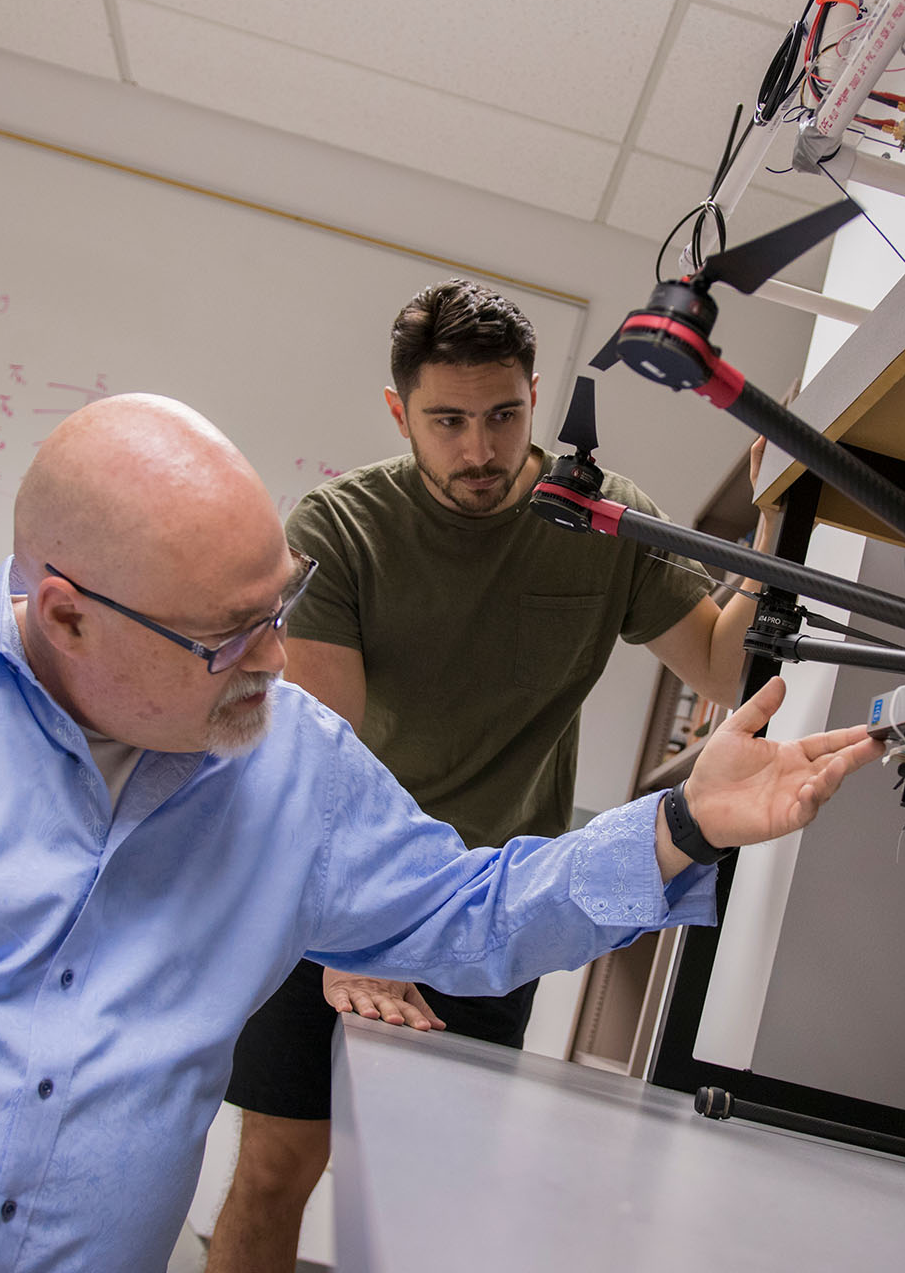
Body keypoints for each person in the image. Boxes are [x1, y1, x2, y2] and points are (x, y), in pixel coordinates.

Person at [0, 392, 879, 1272]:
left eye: (277, 610)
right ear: (63, 615)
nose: (277, 664)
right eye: (229, 635)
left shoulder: (290, 762)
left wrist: (681, 821)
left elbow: (472, 915)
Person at [208, 279, 777, 1272]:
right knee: (278, 1163)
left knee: (424, 1200)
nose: (480, 448)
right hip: (332, 897)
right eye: (450, 421)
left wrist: (777, 511)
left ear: (535, 396)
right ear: (400, 414)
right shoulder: (343, 528)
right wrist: (357, 926)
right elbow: (318, 753)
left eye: (504, 415)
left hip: (495, 904)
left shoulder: (601, 518)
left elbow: (724, 666)